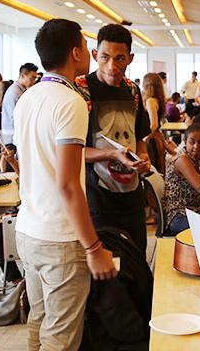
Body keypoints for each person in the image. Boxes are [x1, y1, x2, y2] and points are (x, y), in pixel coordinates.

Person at [13, 18, 118, 350]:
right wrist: (93, 247)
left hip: (28, 230)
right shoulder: (69, 101)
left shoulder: (28, 98)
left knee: (40, 321)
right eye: (87, 47)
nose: (88, 53)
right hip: (60, 238)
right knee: (60, 338)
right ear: (75, 53)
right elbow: (68, 184)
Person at [77, 24, 153, 253]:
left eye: (119, 59)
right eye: (104, 57)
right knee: (105, 274)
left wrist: (143, 157)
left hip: (132, 198)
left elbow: (139, 137)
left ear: (130, 58)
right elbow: (72, 151)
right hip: (96, 199)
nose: (112, 66)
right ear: (94, 55)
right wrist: (110, 153)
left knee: (136, 261)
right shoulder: (80, 91)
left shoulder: (132, 91)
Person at [162, 124, 200, 235]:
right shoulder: (182, 160)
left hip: (196, 211)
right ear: (185, 141)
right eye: (192, 142)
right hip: (178, 216)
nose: (196, 146)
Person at [0, 63, 39, 145]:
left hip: (14, 135)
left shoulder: (20, 90)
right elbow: (15, 117)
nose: (34, 81)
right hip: (12, 136)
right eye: (32, 78)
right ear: (23, 76)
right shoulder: (15, 92)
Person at [142, 72, 170, 174]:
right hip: (157, 138)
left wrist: (145, 139)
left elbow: (154, 124)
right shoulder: (158, 100)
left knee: (153, 171)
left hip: (152, 140)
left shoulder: (150, 101)